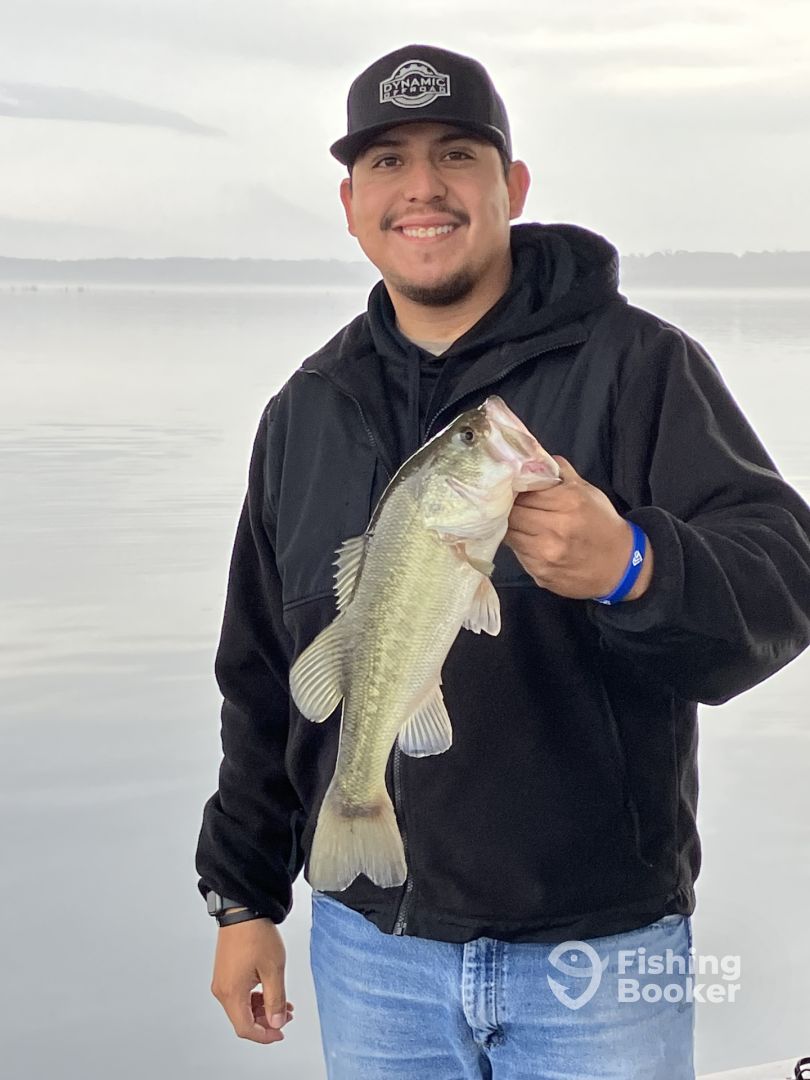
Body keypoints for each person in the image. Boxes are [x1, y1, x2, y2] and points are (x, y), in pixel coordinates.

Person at [195, 44, 810, 1078]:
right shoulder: (304, 412)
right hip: (371, 951)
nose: (422, 188)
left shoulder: (642, 366)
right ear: (351, 205)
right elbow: (259, 675)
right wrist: (242, 896)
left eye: (456, 155)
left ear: (513, 187)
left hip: (596, 952)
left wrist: (635, 566)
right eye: (388, 161)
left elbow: (786, 579)